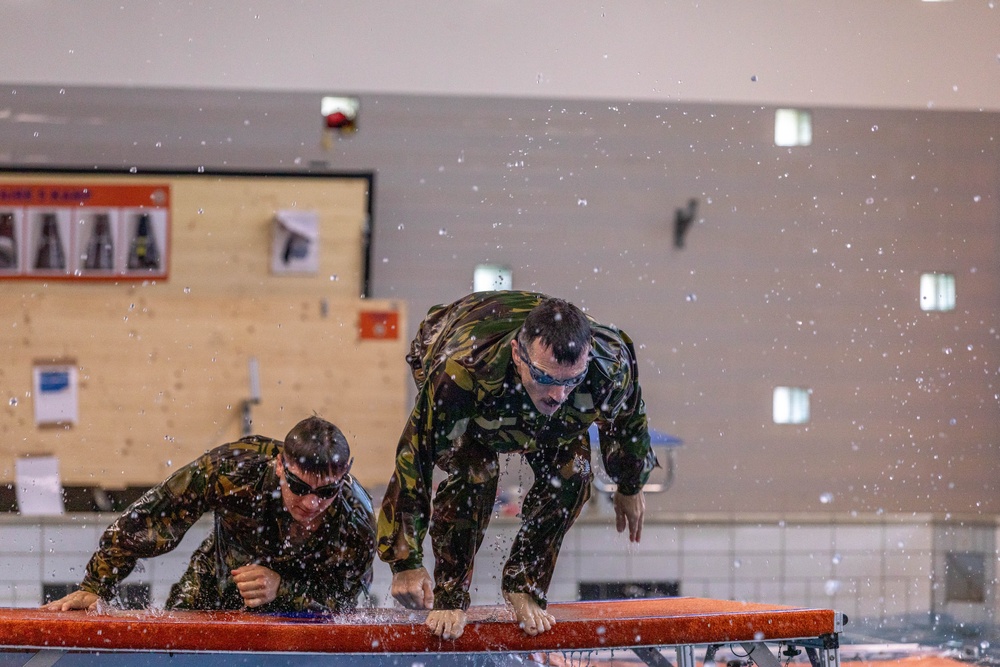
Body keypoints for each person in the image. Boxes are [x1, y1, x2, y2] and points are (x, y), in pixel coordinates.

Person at [377, 291, 657, 640]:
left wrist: (630, 484)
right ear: (517, 355)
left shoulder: (609, 364)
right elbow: (414, 458)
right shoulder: (460, 372)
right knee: (475, 470)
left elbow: (629, 422)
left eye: (571, 380)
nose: (558, 394)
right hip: (449, 347)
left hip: (532, 392)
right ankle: (450, 595)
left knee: (577, 470)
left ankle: (524, 584)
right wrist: (405, 561)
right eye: (546, 377)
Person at [41, 416, 376, 614]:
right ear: (280, 465)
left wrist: (282, 588)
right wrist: (96, 586)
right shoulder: (231, 469)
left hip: (299, 611)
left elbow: (344, 607)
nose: (312, 504)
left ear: (344, 477)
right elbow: (151, 518)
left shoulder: (356, 518)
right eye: (300, 489)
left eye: (327, 492)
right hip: (214, 581)